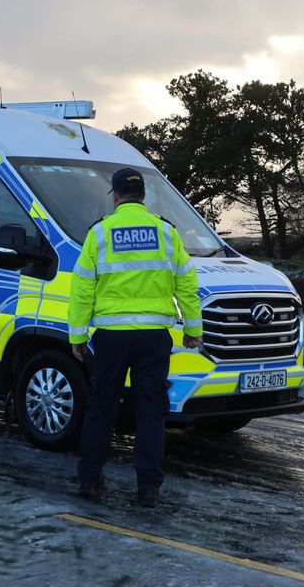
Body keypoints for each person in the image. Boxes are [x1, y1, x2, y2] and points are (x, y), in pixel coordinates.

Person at [69, 167, 203, 507]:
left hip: (111, 338)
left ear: (115, 196)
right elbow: (186, 284)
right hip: (152, 338)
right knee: (150, 411)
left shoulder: (100, 233)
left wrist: (78, 335)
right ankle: (147, 489)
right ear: (143, 196)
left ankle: (88, 481)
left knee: (101, 408)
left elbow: (82, 287)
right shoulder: (166, 233)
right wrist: (192, 330)